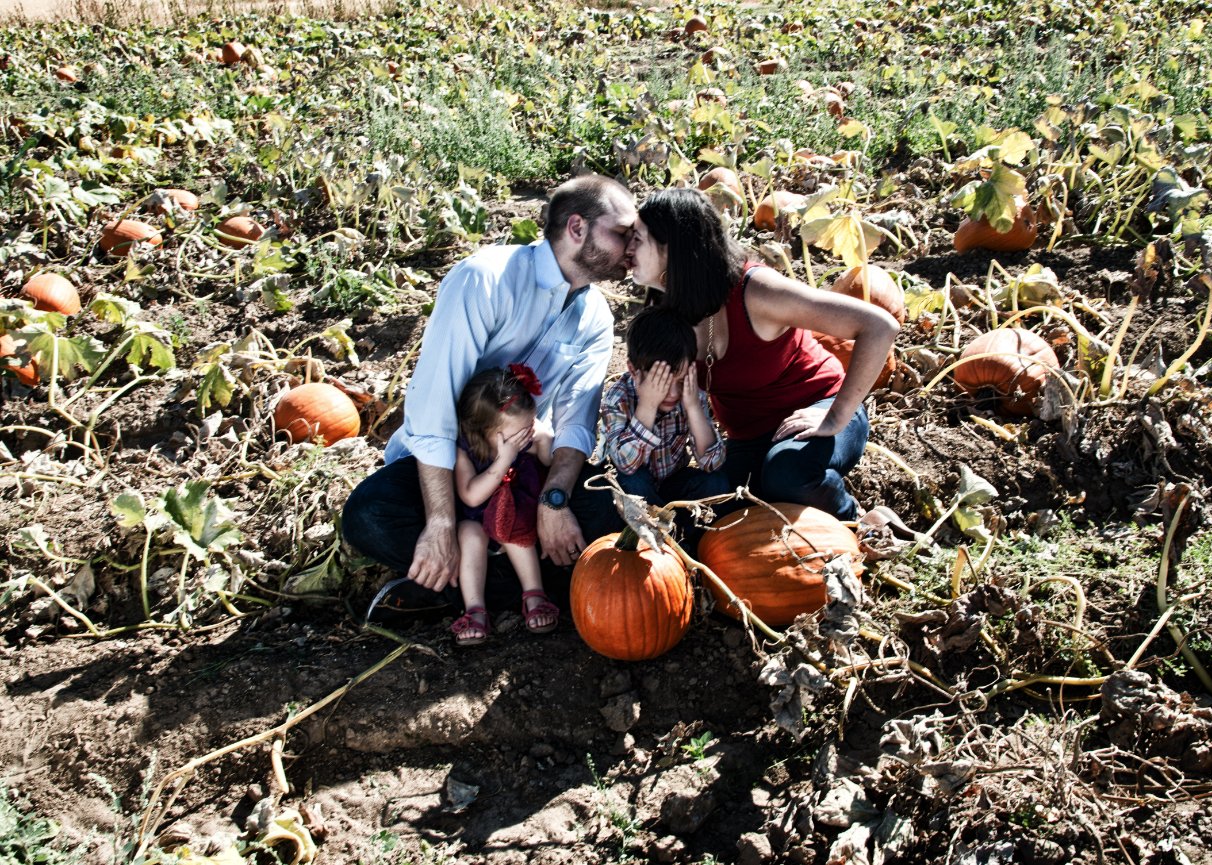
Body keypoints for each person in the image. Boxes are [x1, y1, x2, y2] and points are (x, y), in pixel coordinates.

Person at [342, 174, 638, 621]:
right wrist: (441, 522)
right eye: (621, 233)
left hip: (526, 473)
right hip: (450, 469)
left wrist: (554, 500)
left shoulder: (596, 316)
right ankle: (530, 586)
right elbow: (434, 405)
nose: (632, 246)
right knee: (367, 514)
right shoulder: (486, 279)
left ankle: (459, 590)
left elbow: (577, 421)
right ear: (577, 228)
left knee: (618, 504)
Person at [626, 187, 899, 521]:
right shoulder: (669, 311)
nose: (628, 249)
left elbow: (879, 326)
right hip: (750, 440)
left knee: (786, 475)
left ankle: (856, 519)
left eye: (637, 239)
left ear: (672, 247)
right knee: (707, 499)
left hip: (815, 408)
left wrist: (836, 415)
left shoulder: (757, 292)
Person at [449, 365, 557, 645]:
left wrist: (544, 440)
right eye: (518, 434)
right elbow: (471, 496)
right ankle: (475, 609)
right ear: (485, 432)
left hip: (515, 515)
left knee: (511, 524)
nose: (525, 438)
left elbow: (550, 463)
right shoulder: (466, 451)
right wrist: (503, 461)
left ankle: (534, 594)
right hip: (477, 519)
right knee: (469, 533)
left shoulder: (522, 440)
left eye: (529, 428)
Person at [598, 305, 732, 523]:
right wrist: (648, 405)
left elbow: (712, 462)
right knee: (633, 481)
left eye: (679, 381)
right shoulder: (618, 398)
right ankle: (657, 534)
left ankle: (683, 538)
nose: (672, 393)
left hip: (671, 482)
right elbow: (625, 464)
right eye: (662, 383)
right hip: (628, 493)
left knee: (716, 483)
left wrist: (693, 408)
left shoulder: (688, 395)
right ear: (634, 371)